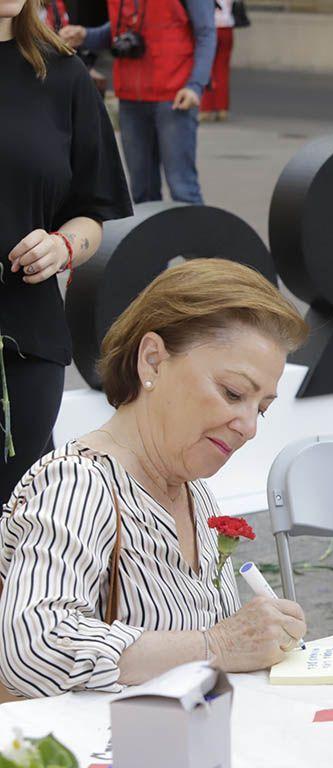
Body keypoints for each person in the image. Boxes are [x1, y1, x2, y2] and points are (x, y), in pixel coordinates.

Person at [0, 260, 310, 697]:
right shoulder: (78, 482)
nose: (248, 426)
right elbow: (34, 647)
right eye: (233, 393)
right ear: (152, 361)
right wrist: (218, 644)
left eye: (260, 408)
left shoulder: (194, 493)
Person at [1, 0, 132, 505]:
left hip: (26, 344)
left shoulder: (61, 73)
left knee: (16, 526)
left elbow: (91, 214)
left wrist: (61, 246)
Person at [60, 0, 216, 205]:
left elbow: (206, 34)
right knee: (141, 192)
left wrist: (195, 86)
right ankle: (153, 238)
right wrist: (85, 36)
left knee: (183, 189)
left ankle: (196, 238)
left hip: (174, 97)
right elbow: (118, 30)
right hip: (130, 98)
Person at [200, 0, 235, 121]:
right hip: (227, 26)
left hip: (210, 26)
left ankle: (206, 108)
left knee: (206, 68)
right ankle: (222, 108)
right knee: (222, 70)